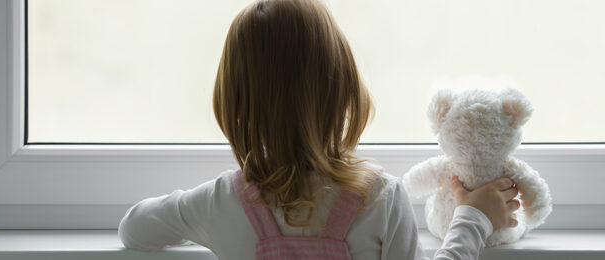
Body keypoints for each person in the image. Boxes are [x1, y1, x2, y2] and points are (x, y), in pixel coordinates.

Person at [118, 0, 520, 259]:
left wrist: (198, 213)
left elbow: (134, 228)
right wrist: (471, 217)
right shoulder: (379, 198)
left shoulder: (219, 201)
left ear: (234, 103)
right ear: (342, 87)